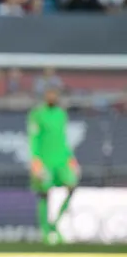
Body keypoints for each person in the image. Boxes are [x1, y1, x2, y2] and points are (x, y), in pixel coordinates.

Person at [27, 86, 80, 245]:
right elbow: (33, 138)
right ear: (44, 96)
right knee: (44, 194)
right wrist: (35, 160)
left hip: (62, 160)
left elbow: (63, 138)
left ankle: (54, 225)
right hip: (44, 161)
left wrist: (71, 158)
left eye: (54, 94)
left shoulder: (61, 114)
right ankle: (45, 232)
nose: (52, 96)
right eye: (49, 93)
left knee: (71, 187)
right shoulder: (37, 114)